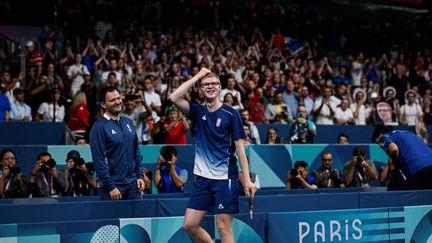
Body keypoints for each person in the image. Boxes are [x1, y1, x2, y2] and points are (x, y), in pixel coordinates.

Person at [169, 67, 257, 243]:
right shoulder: (198, 111)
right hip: (202, 179)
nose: (210, 86)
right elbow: (173, 97)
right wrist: (199, 76)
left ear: (220, 87)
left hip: (225, 178)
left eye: (214, 83)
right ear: (200, 89)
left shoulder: (231, 114)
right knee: (190, 225)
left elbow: (240, 148)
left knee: (223, 227)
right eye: (206, 84)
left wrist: (246, 180)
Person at [89, 86, 145, 200]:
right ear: (103, 105)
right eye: (112, 100)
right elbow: (98, 160)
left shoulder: (128, 122)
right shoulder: (99, 127)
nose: (117, 102)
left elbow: (136, 152)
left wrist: (139, 176)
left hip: (133, 185)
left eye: (118, 98)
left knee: (135, 218)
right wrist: (110, 186)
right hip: (113, 188)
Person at [371, 125, 432, 190]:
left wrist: (395, 160)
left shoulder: (383, 137)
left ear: (380, 135)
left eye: (378, 144)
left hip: (418, 169)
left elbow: (393, 149)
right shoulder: (408, 133)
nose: (380, 147)